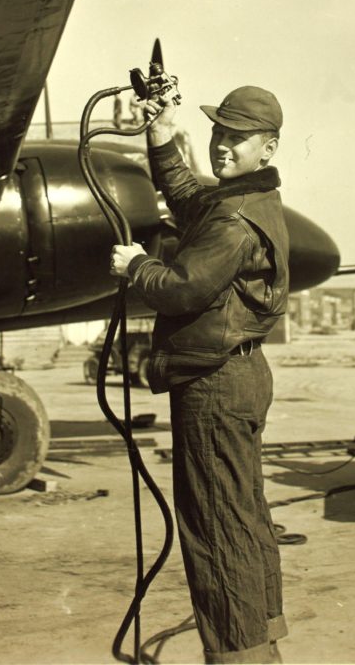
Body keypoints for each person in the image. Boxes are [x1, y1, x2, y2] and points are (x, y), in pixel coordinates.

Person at [110, 85, 290, 665]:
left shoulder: (234, 221)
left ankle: (238, 657)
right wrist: (160, 133)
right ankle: (261, 646)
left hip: (213, 383)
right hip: (238, 374)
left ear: (269, 147)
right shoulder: (246, 201)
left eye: (238, 138)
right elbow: (190, 197)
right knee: (242, 515)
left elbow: (183, 287)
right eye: (219, 132)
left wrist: (137, 265)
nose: (222, 146)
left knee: (215, 527)